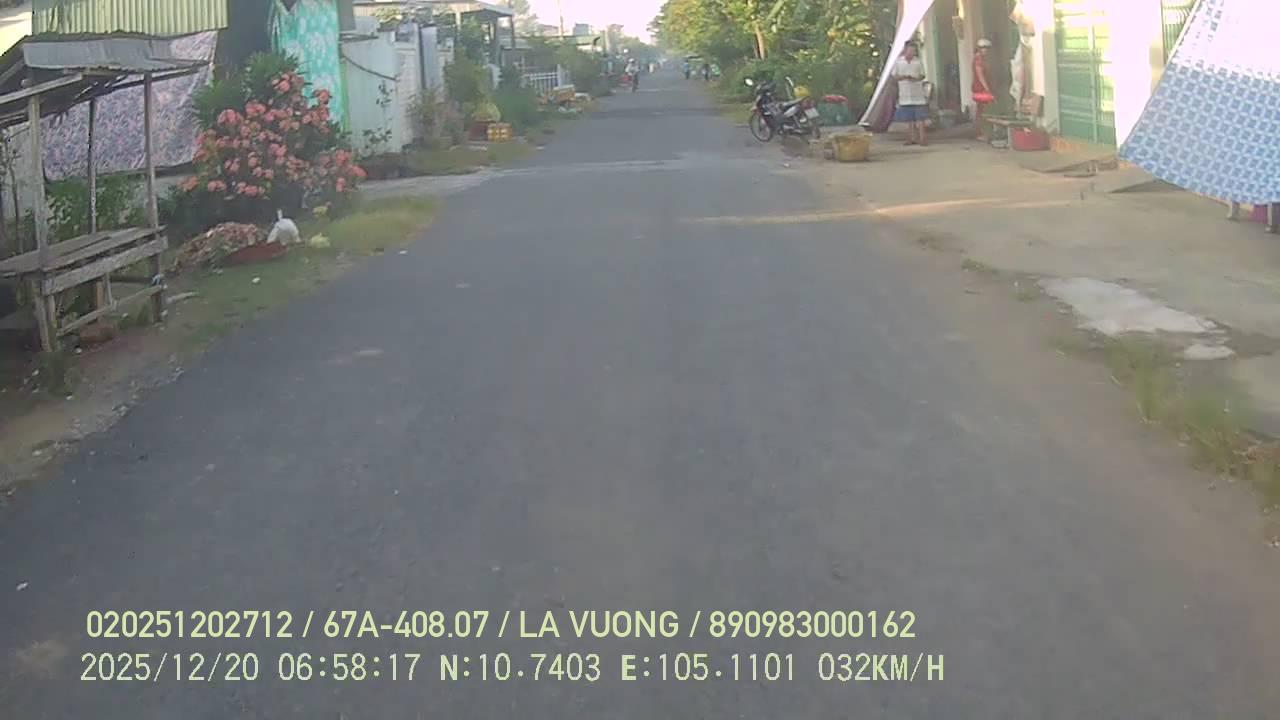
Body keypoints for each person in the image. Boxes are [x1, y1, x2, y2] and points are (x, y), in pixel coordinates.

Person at [892, 42, 929, 146]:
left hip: (918, 94)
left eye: (913, 51)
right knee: (909, 119)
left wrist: (916, 78)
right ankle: (911, 138)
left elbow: (922, 75)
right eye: (910, 50)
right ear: (905, 50)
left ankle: (922, 138)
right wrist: (904, 77)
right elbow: (894, 76)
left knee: (920, 118)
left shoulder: (918, 62)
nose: (911, 53)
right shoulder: (899, 62)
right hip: (905, 93)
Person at [972, 38, 995, 141]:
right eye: (983, 48)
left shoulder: (980, 58)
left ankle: (981, 132)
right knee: (984, 111)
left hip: (979, 88)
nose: (985, 50)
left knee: (981, 110)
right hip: (981, 89)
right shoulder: (979, 59)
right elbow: (980, 75)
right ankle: (981, 132)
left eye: (987, 48)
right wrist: (987, 88)